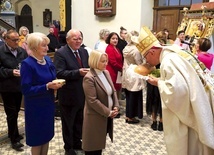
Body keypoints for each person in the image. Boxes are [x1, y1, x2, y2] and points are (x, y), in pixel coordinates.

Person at [132, 26, 214, 155]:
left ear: (152, 52)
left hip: (193, 109)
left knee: (192, 145)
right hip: (202, 99)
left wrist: (157, 82)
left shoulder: (168, 61)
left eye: (146, 57)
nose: (146, 61)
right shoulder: (174, 51)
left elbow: (178, 91)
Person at [20, 32, 63, 155]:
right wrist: (47, 86)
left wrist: (55, 85)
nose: (47, 48)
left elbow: (52, 77)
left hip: (48, 104)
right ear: (34, 47)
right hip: (35, 107)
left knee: (46, 136)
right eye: (43, 45)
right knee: (37, 139)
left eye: (46, 45)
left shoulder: (48, 60)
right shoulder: (27, 64)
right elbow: (26, 90)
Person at [54, 29, 89, 155]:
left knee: (79, 121)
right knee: (68, 123)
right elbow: (59, 73)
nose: (78, 41)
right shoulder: (61, 53)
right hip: (68, 95)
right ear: (68, 40)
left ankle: (76, 142)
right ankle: (68, 147)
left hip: (82, 93)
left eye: (80, 38)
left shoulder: (84, 52)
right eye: (75, 38)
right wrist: (78, 72)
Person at [82, 50, 119, 155]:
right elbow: (92, 101)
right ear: (94, 61)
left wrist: (116, 106)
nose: (106, 63)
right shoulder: (89, 78)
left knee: (99, 145)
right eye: (103, 61)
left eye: (106, 61)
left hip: (105, 115)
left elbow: (113, 91)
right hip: (95, 117)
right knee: (93, 146)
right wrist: (108, 112)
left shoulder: (105, 72)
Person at [0, 29, 28, 151]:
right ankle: (14, 139)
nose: (17, 42)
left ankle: (15, 133)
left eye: (18, 39)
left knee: (16, 111)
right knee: (11, 114)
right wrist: (10, 72)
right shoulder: (1, 51)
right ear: (6, 39)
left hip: (19, 86)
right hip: (7, 87)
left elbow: (26, 64)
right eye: (14, 40)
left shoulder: (21, 51)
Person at [122, 31, 144, 124]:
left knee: (129, 94)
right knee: (135, 95)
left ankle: (128, 115)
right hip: (135, 72)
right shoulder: (136, 49)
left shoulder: (126, 47)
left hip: (127, 71)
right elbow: (139, 62)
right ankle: (131, 116)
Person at [146, 30, 166, 131]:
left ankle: (156, 121)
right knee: (157, 100)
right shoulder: (164, 52)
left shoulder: (154, 51)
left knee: (155, 101)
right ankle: (159, 122)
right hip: (159, 78)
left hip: (155, 77)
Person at [105, 32, 123, 117]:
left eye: (116, 38)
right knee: (113, 91)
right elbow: (113, 62)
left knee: (117, 91)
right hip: (112, 72)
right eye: (113, 38)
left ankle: (116, 109)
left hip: (118, 72)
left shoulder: (116, 48)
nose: (115, 40)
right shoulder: (109, 48)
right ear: (109, 39)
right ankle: (113, 110)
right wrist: (122, 68)